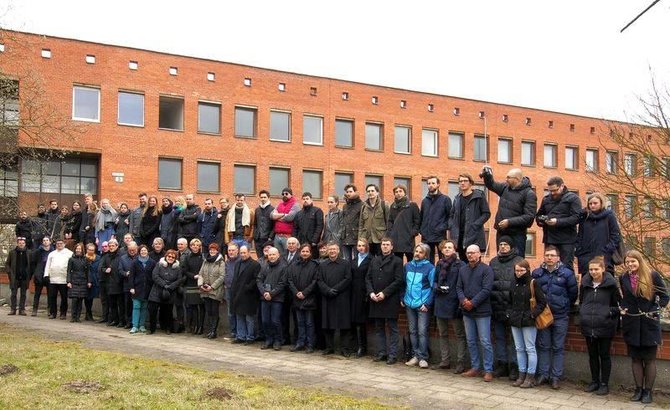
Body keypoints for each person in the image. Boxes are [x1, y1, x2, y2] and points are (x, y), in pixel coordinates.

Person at [620, 251, 669, 404]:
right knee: (635, 358)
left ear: (639, 261)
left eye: (633, 261)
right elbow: (625, 299)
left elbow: (665, 296)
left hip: (649, 323)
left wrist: (656, 310)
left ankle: (648, 392)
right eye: (627, 262)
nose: (630, 264)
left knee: (649, 359)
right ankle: (638, 389)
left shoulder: (652, 275)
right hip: (632, 323)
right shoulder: (623, 277)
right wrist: (623, 308)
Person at [531, 245, 578, 389]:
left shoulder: (567, 273)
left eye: (552, 255)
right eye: (547, 255)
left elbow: (573, 293)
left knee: (558, 347)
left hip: (560, 315)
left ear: (558, 258)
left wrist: (564, 305)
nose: (549, 258)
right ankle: (543, 374)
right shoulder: (537, 273)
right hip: (543, 315)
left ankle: (555, 377)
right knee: (543, 346)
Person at [579, 257, 620, 396]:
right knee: (592, 355)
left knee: (604, 355)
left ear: (603, 269)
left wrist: (607, 312)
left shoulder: (611, 285)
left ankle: (604, 383)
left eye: (596, 269)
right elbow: (582, 301)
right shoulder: (585, 284)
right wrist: (583, 313)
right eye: (591, 269)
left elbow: (617, 305)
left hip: (605, 325)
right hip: (588, 325)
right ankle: (594, 381)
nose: (593, 272)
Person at [457, 244, 494, 381]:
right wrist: (463, 300)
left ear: (479, 254)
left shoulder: (487, 270)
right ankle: (475, 367)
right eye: (468, 253)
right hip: (467, 311)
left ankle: (488, 369)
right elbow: (458, 287)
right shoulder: (462, 270)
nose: (470, 255)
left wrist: (473, 303)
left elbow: (486, 290)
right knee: (471, 340)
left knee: (485, 341)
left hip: (482, 311)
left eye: (473, 252)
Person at [481, 167, 537, 257]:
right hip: (501, 232)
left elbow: (529, 217)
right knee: (501, 259)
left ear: (517, 179)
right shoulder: (505, 187)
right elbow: (491, 185)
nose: (506, 179)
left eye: (508, 177)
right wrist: (487, 175)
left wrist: (509, 222)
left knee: (517, 261)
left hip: (517, 235)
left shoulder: (529, 194)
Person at [366, 237, 404, 365]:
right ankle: (381, 352)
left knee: (392, 328)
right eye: (383, 244)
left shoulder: (398, 261)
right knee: (379, 328)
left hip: (390, 299)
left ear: (392, 247)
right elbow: (368, 278)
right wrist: (371, 292)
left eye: (387, 244)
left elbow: (398, 280)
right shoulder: (375, 260)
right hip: (375, 299)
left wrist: (384, 293)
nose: (385, 246)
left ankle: (392, 355)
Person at [509, 259, 546, 389]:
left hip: (528, 320)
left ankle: (530, 376)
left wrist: (532, 314)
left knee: (530, 348)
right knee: (519, 348)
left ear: (527, 270)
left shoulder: (533, 283)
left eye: (521, 270)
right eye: (517, 270)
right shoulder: (513, 283)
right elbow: (509, 301)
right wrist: (510, 313)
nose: (519, 273)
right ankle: (521, 374)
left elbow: (542, 302)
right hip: (515, 319)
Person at [489, 236, 523, 379]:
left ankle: (514, 367)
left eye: (505, 244)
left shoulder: (519, 261)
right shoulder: (493, 262)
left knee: (515, 340)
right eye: (501, 244)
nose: (502, 247)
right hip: (497, 305)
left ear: (511, 246)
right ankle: (502, 364)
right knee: (500, 338)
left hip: (513, 307)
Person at [433, 239, 467, 373]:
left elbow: (462, 283)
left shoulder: (460, 264)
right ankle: (445, 360)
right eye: (445, 247)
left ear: (454, 250)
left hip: (454, 302)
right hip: (440, 301)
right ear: (441, 250)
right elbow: (435, 280)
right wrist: (437, 287)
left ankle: (460, 362)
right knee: (443, 333)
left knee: (459, 334)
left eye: (450, 247)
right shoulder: (439, 264)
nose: (447, 249)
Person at [536, 176, 582, 270]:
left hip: (567, 240)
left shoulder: (573, 198)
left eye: (555, 190)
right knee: (549, 266)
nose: (552, 193)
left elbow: (576, 218)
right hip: (550, 239)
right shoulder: (546, 199)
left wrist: (557, 222)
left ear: (562, 186)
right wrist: (542, 221)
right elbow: (538, 215)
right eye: (550, 190)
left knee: (566, 267)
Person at [403, 243, 435, 369]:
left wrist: (427, 303)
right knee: (412, 331)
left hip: (422, 305)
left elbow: (433, 287)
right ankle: (415, 355)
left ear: (426, 255)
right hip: (409, 303)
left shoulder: (430, 268)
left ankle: (423, 357)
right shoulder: (408, 266)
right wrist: (402, 298)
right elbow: (403, 284)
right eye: (416, 251)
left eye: (420, 252)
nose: (417, 254)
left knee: (422, 332)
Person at [318, 242, 353, 356]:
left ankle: (345, 348)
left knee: (344, 324)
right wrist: (328, 290)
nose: (332, 251)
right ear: (328, 251)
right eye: (330, 249)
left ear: (338, 251)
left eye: (334, 249)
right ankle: (329, 347)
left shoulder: (345, 264)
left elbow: (348, 278)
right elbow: (319, 280)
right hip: (327, 297)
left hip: (341, 297)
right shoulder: (322, 265)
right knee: (327, 324)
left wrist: (336, 289)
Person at [575, 192, 621, 275]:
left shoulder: (609, 216)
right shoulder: (585, 217)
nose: (592, 205)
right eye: (590, 203)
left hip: (604, 258)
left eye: (595, 203)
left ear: (601, 203)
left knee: (605, 284)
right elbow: (580, 236)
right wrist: (578, 250)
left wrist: (606, 250)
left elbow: (615, 236)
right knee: (586, 285)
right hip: (586, 258)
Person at [449, 173, 491, 261]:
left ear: (471, 183)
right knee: (463, 264)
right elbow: (451, 215)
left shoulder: (478, 196)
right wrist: (451, 226)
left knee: (474, 263)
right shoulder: (457, 198)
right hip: (459, 237)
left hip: (474, 236)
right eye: (460, 181)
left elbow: (486, 213)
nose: (462, 183)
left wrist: (475, 225)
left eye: (465, 181)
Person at [287, 243, 320, 353]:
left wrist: (305, 293)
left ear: (310, 253)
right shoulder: (294, 265)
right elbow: (290, 280)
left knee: (309, 323)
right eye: (303, 251)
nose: (305, 253)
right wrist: (296, 292)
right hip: (297, 298)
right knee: (300, 323)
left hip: (309, 298)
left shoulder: (315, 265)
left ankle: (310, 344)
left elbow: (315, 281)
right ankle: (300, 343)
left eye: (307, 251)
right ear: (300, 252)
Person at [257, 247, 288, 350]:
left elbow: (282, 283)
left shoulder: (283, 267)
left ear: (278, 255)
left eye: (273, 254)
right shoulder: (265, 266)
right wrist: (264, 292)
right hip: (264, 297)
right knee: (265, 321)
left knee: (275, 321)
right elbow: (259, 280)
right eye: (270, 255)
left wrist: (271, 294)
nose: (271, 256)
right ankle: (268, 340)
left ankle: (278, 341)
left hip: (277, 299)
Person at [230, 245, 261, 344]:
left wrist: (248, 287)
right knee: (239, 316)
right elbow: (235, 278)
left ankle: (250, 337)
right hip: (238, 294)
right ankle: (241, 336)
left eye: (244, 253)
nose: (243, 255)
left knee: (249, 318)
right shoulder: (238, 263)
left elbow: (256, 279)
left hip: (249, 296)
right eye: (241, 253)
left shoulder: (255, 264)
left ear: (249, 252)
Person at [148, 249, 182, 335]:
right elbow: (155, 276)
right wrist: (164, 284)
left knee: (168, 311)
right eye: (169, 256)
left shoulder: (178, 268)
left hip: (170, 292)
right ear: (166, 256)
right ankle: (152, 328)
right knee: (153, 310)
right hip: (157, 290)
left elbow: (179, 279)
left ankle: (168, 328)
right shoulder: (159, 265)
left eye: (173, 257)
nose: (170, 258)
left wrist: (171, 286)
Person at [420, 176, 452, 260]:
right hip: (426, 237)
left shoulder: (445, 199)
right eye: (429, 183)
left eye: (433, 183)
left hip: (440, 236)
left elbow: (451, 217)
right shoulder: (424, 201)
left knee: (443, 260)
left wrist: (442, 228)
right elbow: (421, 217)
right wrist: (421, 230)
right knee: (427, 261)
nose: (430, 185)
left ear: (438, 185)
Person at [198, 243, 226, 339]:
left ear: (217, 251)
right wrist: (200, 284)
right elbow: (200, 274)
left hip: (215, 290)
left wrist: (212, 287)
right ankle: (210, 330)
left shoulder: (221, 262)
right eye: (211, 250)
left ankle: (214, 331)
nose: (212, 251)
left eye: (214, 250)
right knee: (208, 311)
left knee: (214, 311)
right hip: (205, 290)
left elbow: (222, 277)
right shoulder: (205, 261)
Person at [386, 184, 420, 262]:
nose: (398, 193)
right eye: (396, 192)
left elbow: (417, 220)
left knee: (410, 259)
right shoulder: (393, 206)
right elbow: (390, 220)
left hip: (408, 237)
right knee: (398, 260)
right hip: (396, 238)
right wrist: (391, 232)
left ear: (405, 192)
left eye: (400, 191)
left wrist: (413, 232)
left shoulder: (412, 205)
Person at [350, 239, 372, 357]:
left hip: (364, 294)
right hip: (353, 293)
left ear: (367, 247)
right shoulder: (353, 260)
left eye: (363, 245)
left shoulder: (371, 260)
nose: (361, 248)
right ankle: (355, 345)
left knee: (361, 321)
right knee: (353, 320)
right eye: (359, 245)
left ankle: (362, 347)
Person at [129, 245, 156, 334]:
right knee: (136, 307)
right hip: (137, 288)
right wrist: (131, 287)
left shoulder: (152, 262)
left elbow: (154, 275)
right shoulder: (135, 262)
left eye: (145, 250)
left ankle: (142, 325)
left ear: (147, 251)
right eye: (141, 251)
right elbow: (131, 276)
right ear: (139, 252)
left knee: (144, 308)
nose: (143, 252)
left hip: (148, 289)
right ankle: (134, 326)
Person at [44, 238, 73, 319]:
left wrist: (70, 278)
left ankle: (63, 313)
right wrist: (46, 275)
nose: (59, 245)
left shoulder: (69, 253)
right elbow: (48, 265)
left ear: (64, 244)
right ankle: (53, 313)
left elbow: (72, 266)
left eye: (61, 243)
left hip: (64, 279)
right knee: (52, 297)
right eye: (58, 243)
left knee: (64, 297)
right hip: (53, 279)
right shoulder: (52, 254)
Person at [5, 236, 34, 315]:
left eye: (23, 243)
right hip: (15, 277)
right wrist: (10, 273)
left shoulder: (29, 253)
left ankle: (22, 310)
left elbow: (31, 265)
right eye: (20, 243)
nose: (21, 244)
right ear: (17, 244)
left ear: (25, 244)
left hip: (25, 277)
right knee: (13, 294)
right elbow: (7, 264)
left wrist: (30, 274)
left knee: (23, 294)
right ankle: (13, 309)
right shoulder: (12, 252)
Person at [182, 238, 205, 335]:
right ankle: (195, 326)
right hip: (191, 283)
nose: (195, 247)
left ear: (200, 247)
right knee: (193, 306)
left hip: (201, 283)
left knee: (202, 307)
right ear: (190, 246)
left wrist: (200, 276)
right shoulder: (187, 257)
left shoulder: (203, 257)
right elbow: (185, 271)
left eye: (197, 245)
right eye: (193, 245)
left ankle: (201, 327)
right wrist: (193, 276)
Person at [359, 184, 388, 256]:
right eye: (368, 191)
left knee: (380, 260)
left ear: (377, 192)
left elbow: (388, 222)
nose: (370, 193)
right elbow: (361, 224)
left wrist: (386, 238)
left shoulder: (384, 205)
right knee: (368, 262)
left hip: (380, 239)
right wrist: (360, 239)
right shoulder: (363, 207)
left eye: (372, 191)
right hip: (367, 239)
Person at [101, 239, 124, 327]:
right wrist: (105, 270)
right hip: (109, 283)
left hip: (118, 283)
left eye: (113, 246)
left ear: (117, 246)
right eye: (110, 246)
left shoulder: (121, 256)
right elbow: (102, 268)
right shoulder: (106, 256)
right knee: (112, 304)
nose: (111, 247)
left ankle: (121, 321)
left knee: (120, 304)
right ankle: (115, 320)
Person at [292, 192, 324, 258]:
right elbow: (295, 228)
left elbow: (319, 226)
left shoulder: (317, 211)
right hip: (301, 242)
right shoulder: (299, 214)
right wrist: (295, 240)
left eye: (307, 198)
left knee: (313, 261)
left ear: (311, 200)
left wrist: (314, 240)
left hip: (312, 243)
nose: (305, 200)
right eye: (303, 199)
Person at [66, 242, 91, 323]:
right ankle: (73, 317)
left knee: (80, 300)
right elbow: (69, 271)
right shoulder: (71, 259)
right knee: (74, 299)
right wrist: (69, 281)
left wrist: (89, 281)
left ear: (82, 250)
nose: (78, 250)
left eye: (79, 249)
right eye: (77, 249)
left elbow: (88, 271)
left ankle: (78, 317)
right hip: (74, 281)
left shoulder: (85, 259)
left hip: (83, 281)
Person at [272, 188, 300, 255]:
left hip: (287, 237)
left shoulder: (295, 205)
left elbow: (290, 217)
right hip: (277, 236)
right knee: (278, 256)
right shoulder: (279, 204)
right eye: (283, 194)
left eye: (286, 194)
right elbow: (272, 215)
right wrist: (284, 215)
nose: (284, 195)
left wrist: (278, 216)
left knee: (288, 256)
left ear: (291, 195)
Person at [31, 236, 53, 316]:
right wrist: (35, 273)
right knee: (37, 294)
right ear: (42, 242)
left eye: (47, 240)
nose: (45, 242)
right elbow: (33, 263)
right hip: (39, 275)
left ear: (50, 242)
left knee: (50, 295)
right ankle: (34, 310)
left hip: (49, 275)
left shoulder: (53, 252)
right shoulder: (38, 252)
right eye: (44, 240)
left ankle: (50, 310)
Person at [118, 241, 138, 329]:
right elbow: (120, 270)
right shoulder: (123, 258)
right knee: (128, 305)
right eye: (130, 250)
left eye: (134, 250)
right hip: (127, 285)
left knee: (137, 305)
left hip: (138, 285)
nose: (132, 251)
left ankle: (136, 322)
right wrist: (126, 273)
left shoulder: (140, 257)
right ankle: (128, 322)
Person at [341, 184, 363, 260]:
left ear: (355, 192)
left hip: (356, 237)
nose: (348, 193)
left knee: (357, 260)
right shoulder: (345, 206)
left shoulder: (362, 205)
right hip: (345, 237)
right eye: (347, 192)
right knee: (347, 260)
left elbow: (362, 222)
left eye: (351, 191)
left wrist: (361, 237)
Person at [223, 242, 240, 339]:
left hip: (238, 290)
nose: (231, 252)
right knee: (230, 313)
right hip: (228, 289)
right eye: (229, 250)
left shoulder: (240, 261)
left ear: (237, 251)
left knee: (238, 312)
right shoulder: (227, 262)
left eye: (233, 250)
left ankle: (239, 332)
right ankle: (233, 332)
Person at [253, 190, 275, 258]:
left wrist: (270, 237)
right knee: (260, 258)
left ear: (268, 198)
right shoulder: (257, 210)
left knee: (268, 257)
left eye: (264, 197)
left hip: (267, 239)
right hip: (258, 239)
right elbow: (255, 224)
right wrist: (255, 235)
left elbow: (274, 225)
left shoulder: (273, 209)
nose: (263, 199)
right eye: (261, 197)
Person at [83, 242, 100, 321]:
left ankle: (89, 313)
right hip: (85, 280)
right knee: (86, 297)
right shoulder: (83, 258)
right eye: (89, 250)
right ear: (87, 250)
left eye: (93, 250)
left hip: (94, 280)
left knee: (91, 298)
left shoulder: (98, 258)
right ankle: (88, 313)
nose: (91, 251)